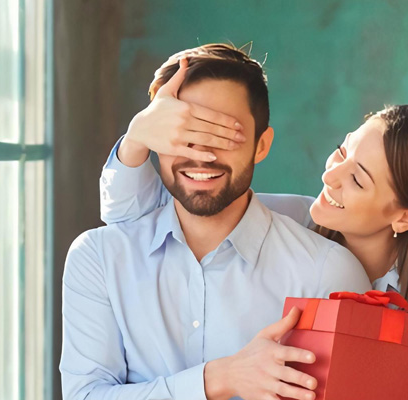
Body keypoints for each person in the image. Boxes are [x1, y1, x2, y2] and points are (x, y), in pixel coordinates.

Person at [100, 94, 408, 398]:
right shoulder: (282, 222)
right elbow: (139, 216)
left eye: (359, 180)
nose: (331, 177)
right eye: (342, 152)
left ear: (406, 217)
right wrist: (137, 139)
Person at [60, 43, 372, 400]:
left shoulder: (327, 272)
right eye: (183, 136)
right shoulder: (99, 259)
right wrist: (218, 379)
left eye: (225, 136)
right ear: (155, 141)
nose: (202, 156)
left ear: (261, 145)